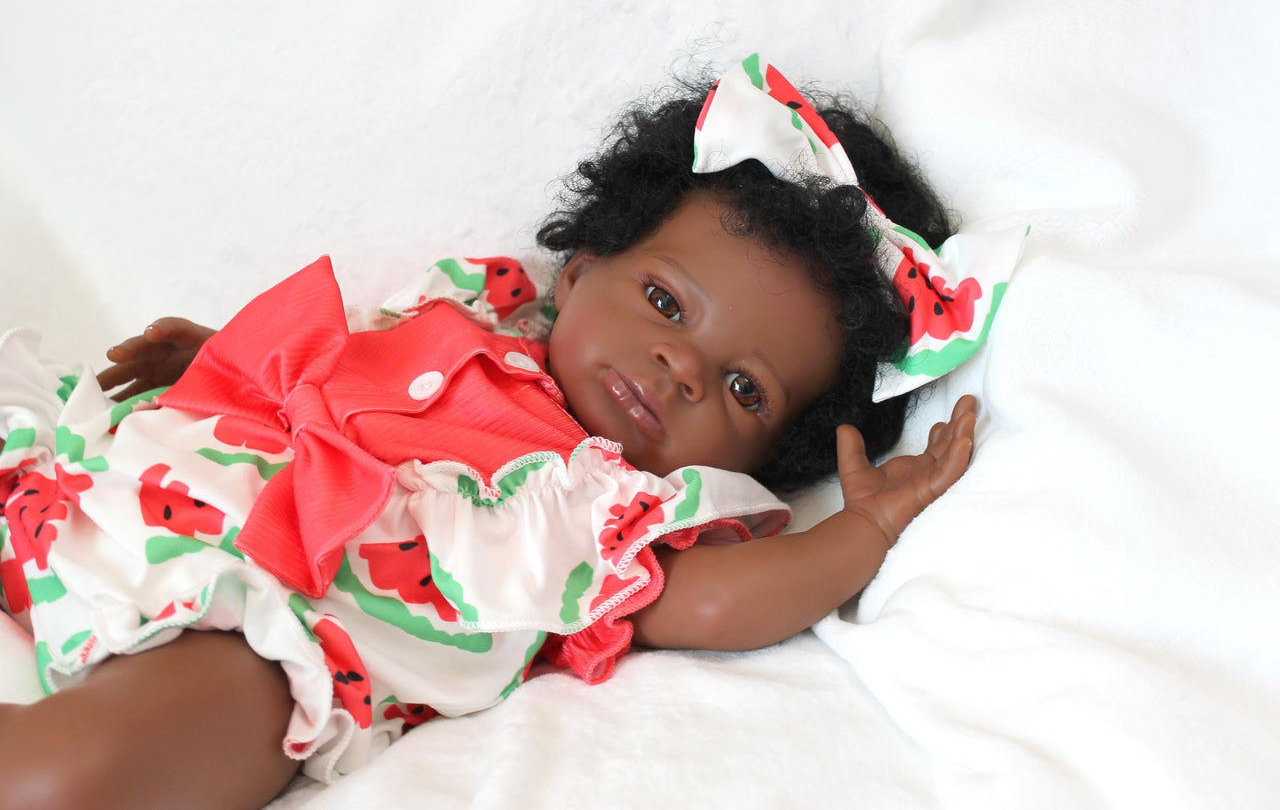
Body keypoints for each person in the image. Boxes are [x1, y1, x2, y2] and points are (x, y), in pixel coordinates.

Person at [0, 55, 1018, 809]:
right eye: (665, 303)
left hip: (285, 630)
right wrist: (222, 355)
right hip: (127, 497)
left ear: (762, 462)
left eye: (743, 390)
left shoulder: (609, 512)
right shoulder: (469, 317)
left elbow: (706, 603)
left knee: (68, 775)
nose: (683, 366)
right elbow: (337, 369)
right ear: (578, 272)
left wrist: (859, 530)